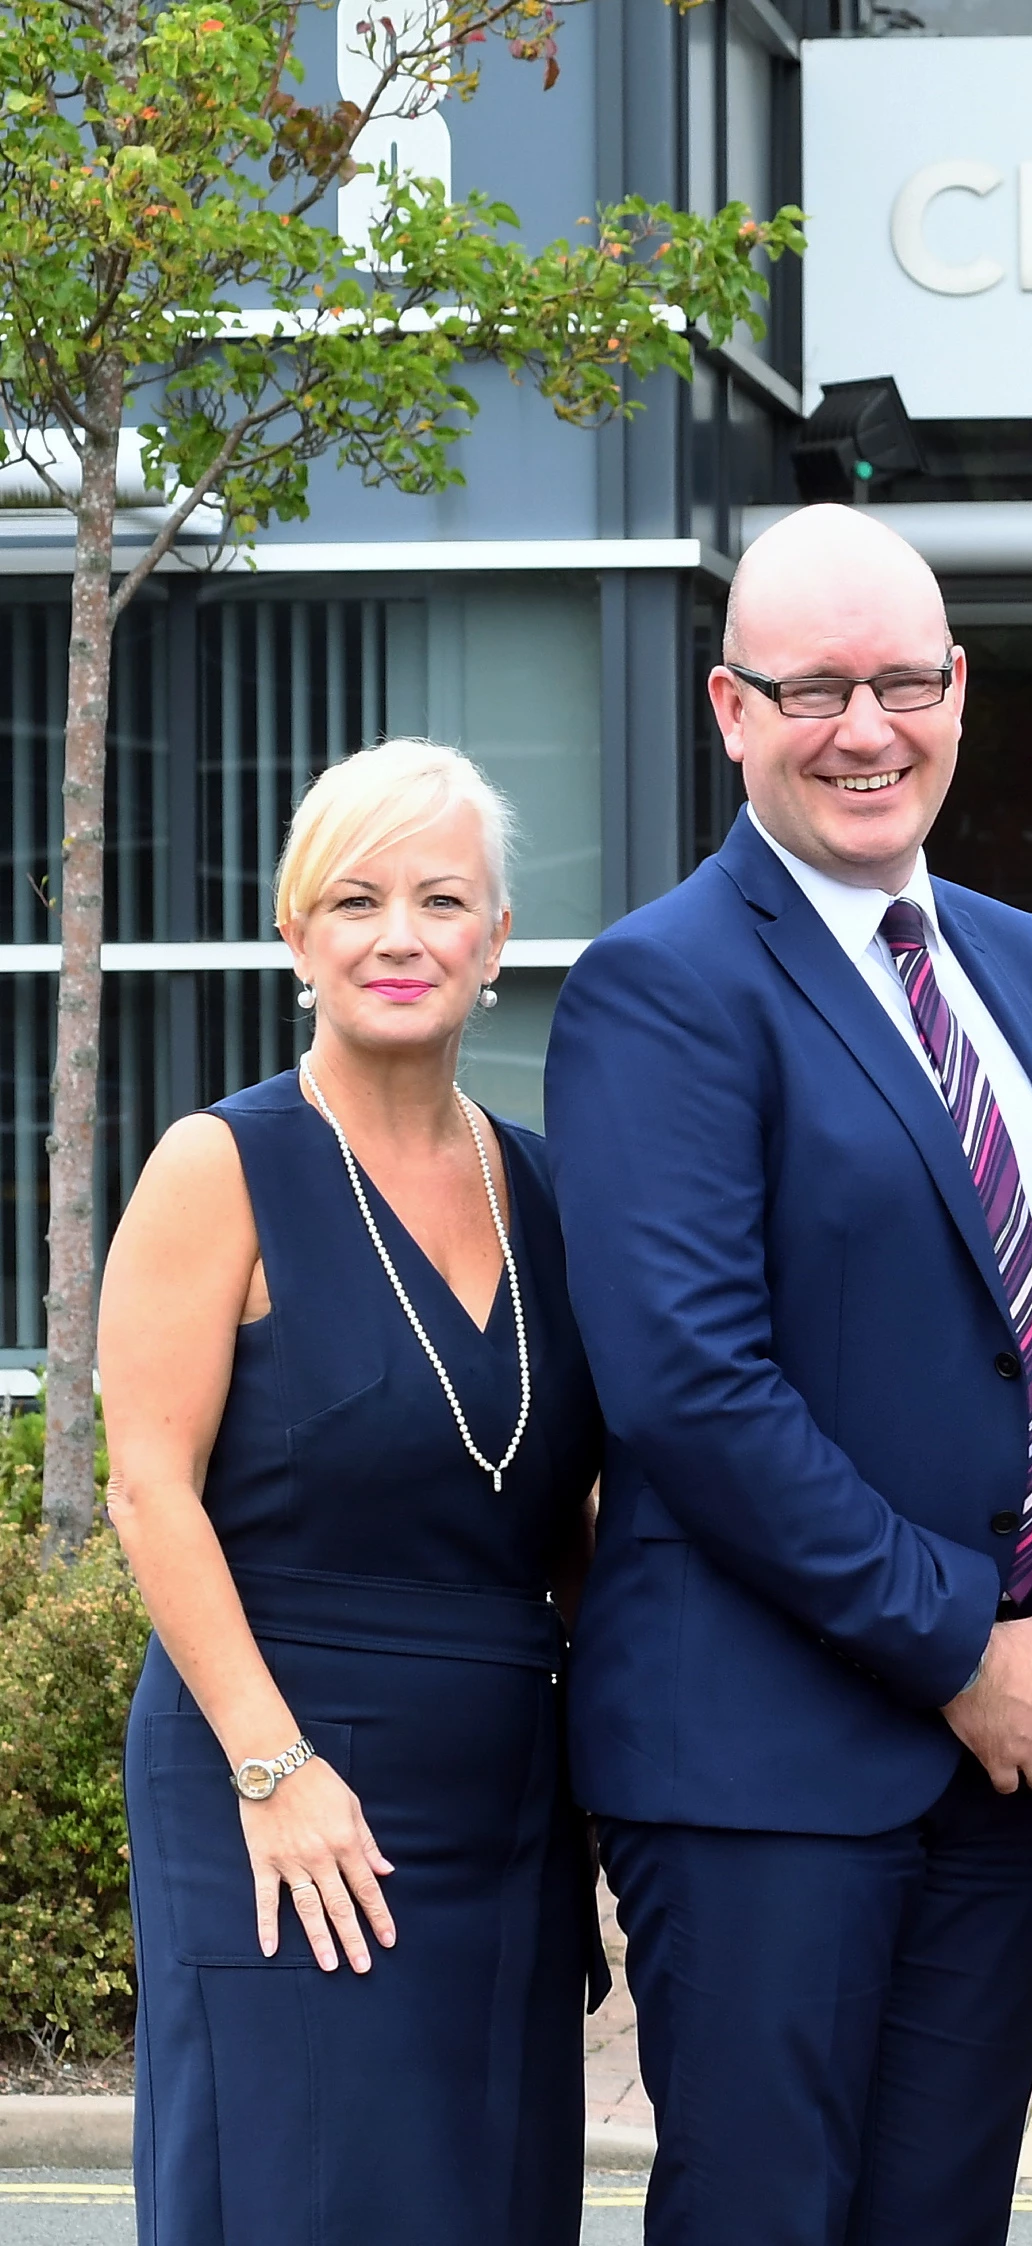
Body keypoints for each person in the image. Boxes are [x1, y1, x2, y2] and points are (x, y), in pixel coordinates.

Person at [544, 504, 1032, 2246]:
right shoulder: (659, 987)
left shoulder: (1026, 963)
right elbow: (692, 1389)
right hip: (759, 1767)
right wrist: (958, 1645)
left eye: (901, 680)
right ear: (729, 709)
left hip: (996, 1759)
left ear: (960, 690)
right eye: (814, 689)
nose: (865, 727)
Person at [103, 740, 605, 2244]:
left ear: (499, 936)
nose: (402, 934)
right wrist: (275, 1770)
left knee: (492, 2196)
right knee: (301, 2191)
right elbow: (147, 1490)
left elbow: (577, 1519)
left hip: (509, 1793)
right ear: (294, 937)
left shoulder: (550, 1189)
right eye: (357, 898)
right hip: (283, 1778)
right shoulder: (221, 1166)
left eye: (442, 897)